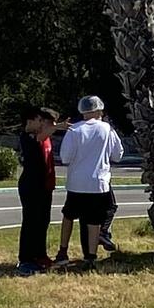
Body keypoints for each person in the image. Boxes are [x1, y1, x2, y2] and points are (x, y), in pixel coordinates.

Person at [55, 94, 123, 267]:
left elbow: (65, 157)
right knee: (94, 221)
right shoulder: (107, 129)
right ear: (99, 110)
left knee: (69, 215)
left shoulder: (74, 130)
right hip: (98, 183)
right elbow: (118, 154)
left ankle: (63, 251)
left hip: (76, 182)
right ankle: (90, 257)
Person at [15, 106, 60, 276]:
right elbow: (38, 138)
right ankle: (25, 259)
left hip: (44, 187)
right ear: (31, 121)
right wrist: (57, 127)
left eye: (46, 122)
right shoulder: (27, 137)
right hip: (30, 186)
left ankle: (40, 255)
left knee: (43, 221)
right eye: (41, 121)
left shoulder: (45, 138)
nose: (44, 125)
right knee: (30, 222)